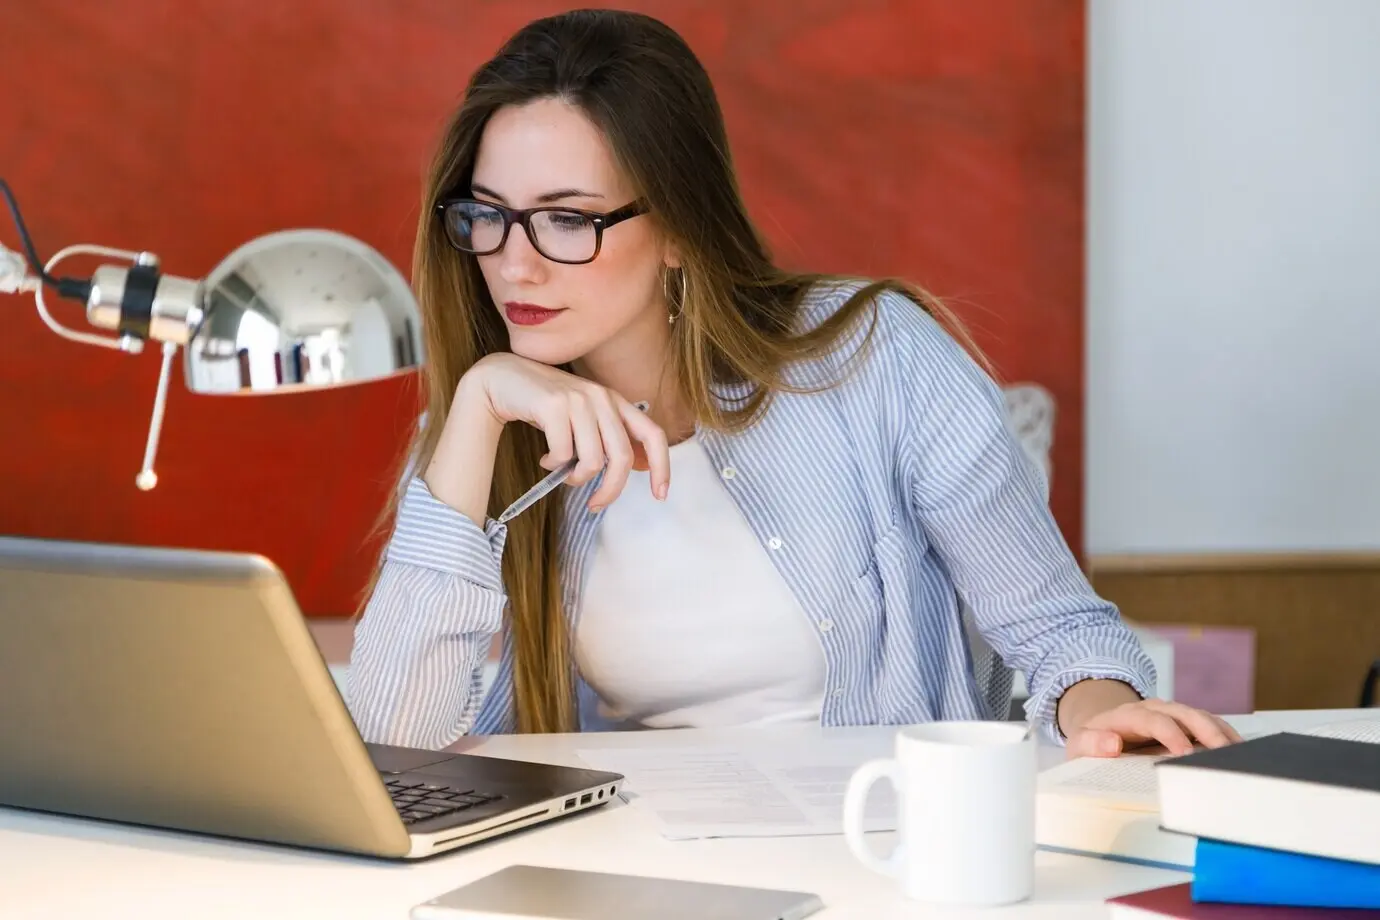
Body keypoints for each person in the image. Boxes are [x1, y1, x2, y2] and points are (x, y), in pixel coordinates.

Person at [347, 8, 1241, 759]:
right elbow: (394, 743)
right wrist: (475, 408)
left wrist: (1105, 716)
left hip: (880, 849)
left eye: (568, 220)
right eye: (490, 216)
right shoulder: (493, 425)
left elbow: (1061, 633)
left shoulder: (875, 357)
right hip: (639, 861)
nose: (515, 264)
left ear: (680, 230)